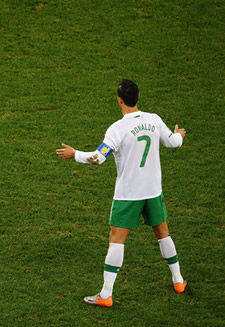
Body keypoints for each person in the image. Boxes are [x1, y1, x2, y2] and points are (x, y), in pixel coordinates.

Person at [56, 79, 187, 307]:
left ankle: (106, 295)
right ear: (139, 97)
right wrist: (180, 135)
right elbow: (173, 142)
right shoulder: (154, 120)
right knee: (163, 233)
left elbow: (98, 158)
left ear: (119, 100)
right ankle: (178, 281)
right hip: (153, 191)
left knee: (116, 240)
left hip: (128, 195)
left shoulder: (117, 129)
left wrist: (74, 153)